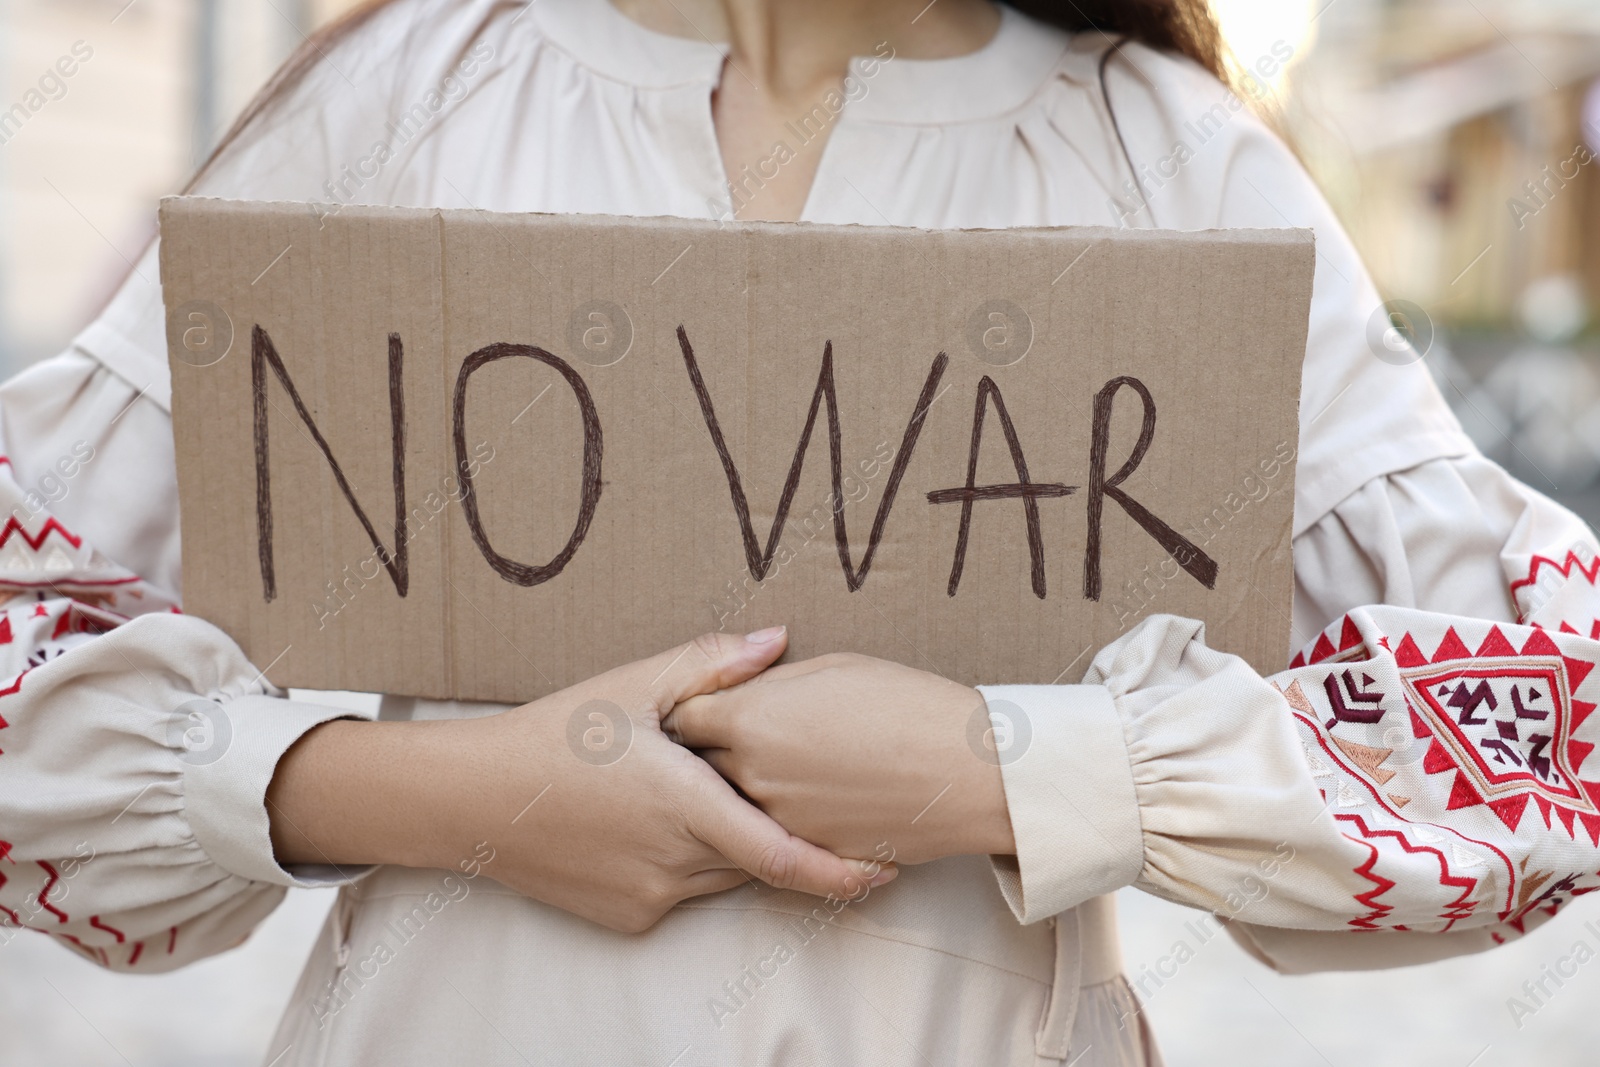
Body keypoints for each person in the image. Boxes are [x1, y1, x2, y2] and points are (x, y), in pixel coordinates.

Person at [3, 0, 1597, 1063]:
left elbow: (1553, 726)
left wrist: (1009, 765)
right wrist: (444, 795)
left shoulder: (1168, 161)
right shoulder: (411, 97)